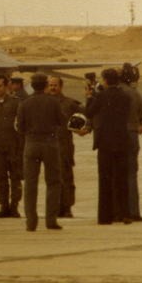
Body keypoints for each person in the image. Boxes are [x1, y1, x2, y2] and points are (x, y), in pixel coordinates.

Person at [16, 73, 64, 231]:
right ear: (45, 85)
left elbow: (20, 127)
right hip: (50, 143)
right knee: (53, 182)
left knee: (30, 184)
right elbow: (61, 121)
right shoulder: (53, 102)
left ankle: (31, 221)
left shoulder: (25, 103)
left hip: (31, 143)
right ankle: (51, 219)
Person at [86, 69, 131, 225]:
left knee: (105, 179)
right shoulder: (125, 96)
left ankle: (105, 216)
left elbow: (89, 112)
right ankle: (124, 213)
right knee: (122, 180)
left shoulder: (101, 96)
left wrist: (90, 97)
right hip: (121, 140)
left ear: (105, 80)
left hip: (105, 141)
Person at [0, 74, 23, 218]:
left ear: (7, 86)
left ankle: (14, 206)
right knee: (0, 178)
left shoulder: (16, 103)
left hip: (13, 146)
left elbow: (21, 126)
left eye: (0, 86)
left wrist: (20, 148)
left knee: (15, 178)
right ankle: (3, 206)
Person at [47, 76, 82, 218]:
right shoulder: (45, 103)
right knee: (52, 179)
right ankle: (55, 207)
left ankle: (67, 207)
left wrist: (83, 129)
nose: (52, 88)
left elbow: (85, 115)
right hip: (49, 146)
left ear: (61, 86)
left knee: (66, 178)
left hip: (64, 146)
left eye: (55, 85)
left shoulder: (70, 104)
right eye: (50, 85)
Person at [119, 63, 142, 222]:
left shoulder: (118, 92)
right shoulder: (135, 94)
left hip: (120, 134)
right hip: (133, 133)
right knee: (131, 173)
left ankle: (121, 210)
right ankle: (133, 210)